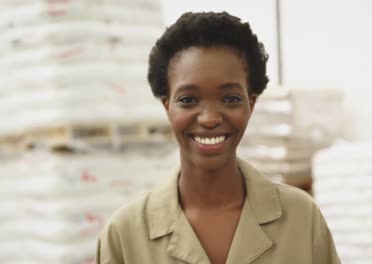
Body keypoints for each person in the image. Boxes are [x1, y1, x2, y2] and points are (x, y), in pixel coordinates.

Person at [96, 11, 341, 264]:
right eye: (188, 100)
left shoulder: (301, 217)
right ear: (167, 107)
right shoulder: (124, 235)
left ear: (251, 104)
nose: (209, 118)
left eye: (231, 99)